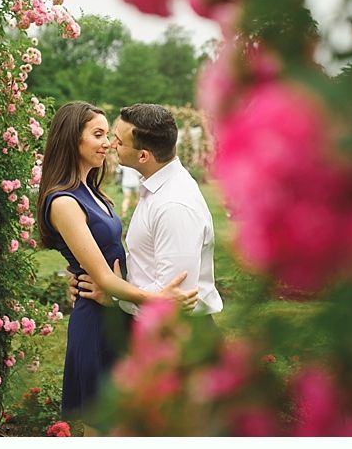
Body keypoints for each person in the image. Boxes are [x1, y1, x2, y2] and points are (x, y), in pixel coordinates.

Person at [36, 101, 199, 420]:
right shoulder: (64, 201)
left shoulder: (93, 191)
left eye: (108, 135)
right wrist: (158, 299)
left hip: (115, 312)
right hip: (96, 321)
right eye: (98, 135)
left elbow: (106, 261)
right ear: (73, 139)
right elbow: (104, 278)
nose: (108, 143)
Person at [73, 103, 223, 321]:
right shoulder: (158, 189)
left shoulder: (174, 205)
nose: (112, 145)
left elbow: (174, 300)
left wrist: (116, 297)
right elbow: (146, 263)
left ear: (143, 156)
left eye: (120, 142)